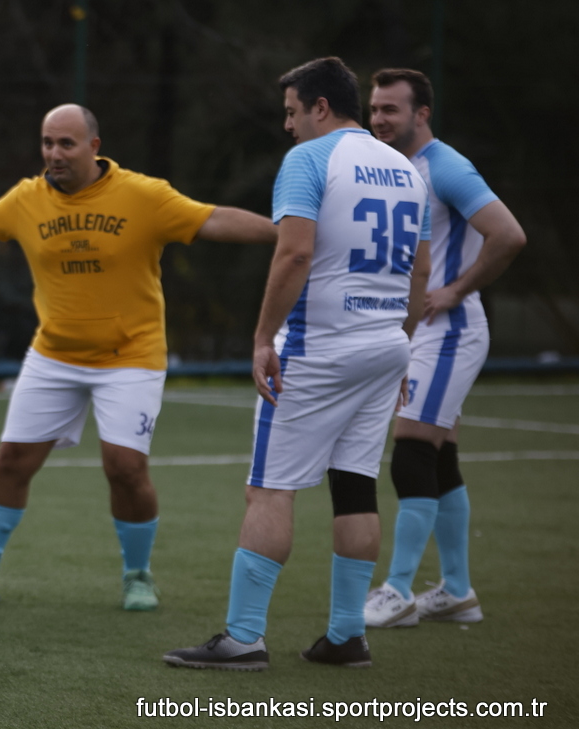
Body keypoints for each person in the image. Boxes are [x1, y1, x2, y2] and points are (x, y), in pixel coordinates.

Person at [0, 103, 276, 611]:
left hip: (131, 357)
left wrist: (287, 233)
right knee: (12, 461)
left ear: (94, 147)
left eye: (66, 144)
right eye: (47, 142)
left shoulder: (144, 195)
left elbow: (213, 219)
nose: (54, 153)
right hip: (53, 355)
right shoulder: (27, 198)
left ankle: (138, 575)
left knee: (125, 468)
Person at [164, 57, 432, 672]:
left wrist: (264, 337)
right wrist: (402, 344)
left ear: (320, 107)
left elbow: (294, 254)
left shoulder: (309, 159)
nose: (287, 125)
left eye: (291, 111)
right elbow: (420, 271)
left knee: (268, 488)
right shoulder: (406, 169)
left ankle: (243, 638)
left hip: (319, 347)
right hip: (385, 344)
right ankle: (347, 635)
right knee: (355, 484)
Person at [363, 69, 525, 628]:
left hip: (450, 329)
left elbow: (509, 234)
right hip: (419, 329)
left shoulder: (446, 166)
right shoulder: (391, 167)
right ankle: (457, 591)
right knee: (440, 455)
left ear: (422, 113)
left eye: (391, 109)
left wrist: (456, 289)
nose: (379, 119)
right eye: (374, 109)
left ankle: (398, 592)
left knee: (411, 449)